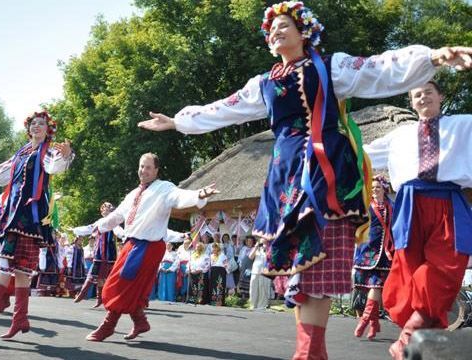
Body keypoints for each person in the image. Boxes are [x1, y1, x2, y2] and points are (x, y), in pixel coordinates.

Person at [138, 1, 472, 356]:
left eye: (285, 26)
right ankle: (311, 351)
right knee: (296, 266)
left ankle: (310, 352)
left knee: (318, 263)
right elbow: (225, 108)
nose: (276, 32)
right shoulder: (263, 84)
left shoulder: (331, 68)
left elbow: (379, 68)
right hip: (284, 175)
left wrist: (433, 58)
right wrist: (179, 121)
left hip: (324, 172)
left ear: (304, 32)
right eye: (272, 29)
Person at [364, 81, 472, 359]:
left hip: (447, 201)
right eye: (417, 94)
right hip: (409, 205)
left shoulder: (463, 124)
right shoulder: (399, 135)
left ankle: (408, 339)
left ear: (441, 96)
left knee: (444, 268)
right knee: (407, 273)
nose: (423, 97)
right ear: (412, 102)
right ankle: (424, 344)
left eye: (428, 92)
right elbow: (360, 155)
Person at [85, 152, 217, 342]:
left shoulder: (164, 188)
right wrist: (99, 226)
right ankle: (140, 321)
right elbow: (118, 216)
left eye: (147, 167)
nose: (143, 170)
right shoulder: (133, 194)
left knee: (119, 285)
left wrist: (199, 194)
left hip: (148, 247)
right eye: (141, 166)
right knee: (132, 287)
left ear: (156, 170)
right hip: (132, 245)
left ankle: (108, 326)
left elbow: (179, 196)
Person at [0, 110, 74, 341]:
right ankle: (20, 319)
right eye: (34, 123)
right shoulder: (22, 152)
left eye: (41, 124)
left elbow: (57, 166)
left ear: (48, 129)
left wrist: (66, 156)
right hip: (14, 214)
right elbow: (2, 172)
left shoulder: (49, 152)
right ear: (29, 128)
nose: (37, 126)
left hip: (30, 216)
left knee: (10, 266)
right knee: (21, 271)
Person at [352, 175, 395, 340]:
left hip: (385, 254)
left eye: (378, 187)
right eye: (373, 187)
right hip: (367, 252)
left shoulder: (392, 206)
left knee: (376, 287)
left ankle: (366, 321)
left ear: (384, 189)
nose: (375, 190)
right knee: (373, 287)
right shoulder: (365, 205)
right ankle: (372, 323)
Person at [71, 202, 124, 307]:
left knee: (107, 278)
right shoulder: (99, 221)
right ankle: (95, 298)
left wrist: (125, 236)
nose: (104, 210)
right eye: (103, 208)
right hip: (99, 252)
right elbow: (88, 228)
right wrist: (75, 230)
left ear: (111, 210)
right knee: (96, 276)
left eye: (107, 208)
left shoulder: (113, 221)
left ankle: (100, 297)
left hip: (109, 253)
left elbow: (119, 232)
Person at [248, 240, 272, 311]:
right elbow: (250, 256)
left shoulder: (271, 248)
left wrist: (267, 249)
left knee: (263, 287)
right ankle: (253, 305)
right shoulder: (257, 248)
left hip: (265, 271)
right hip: (255, 270)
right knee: (253, 288)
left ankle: (262, 305)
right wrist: (256, 246)